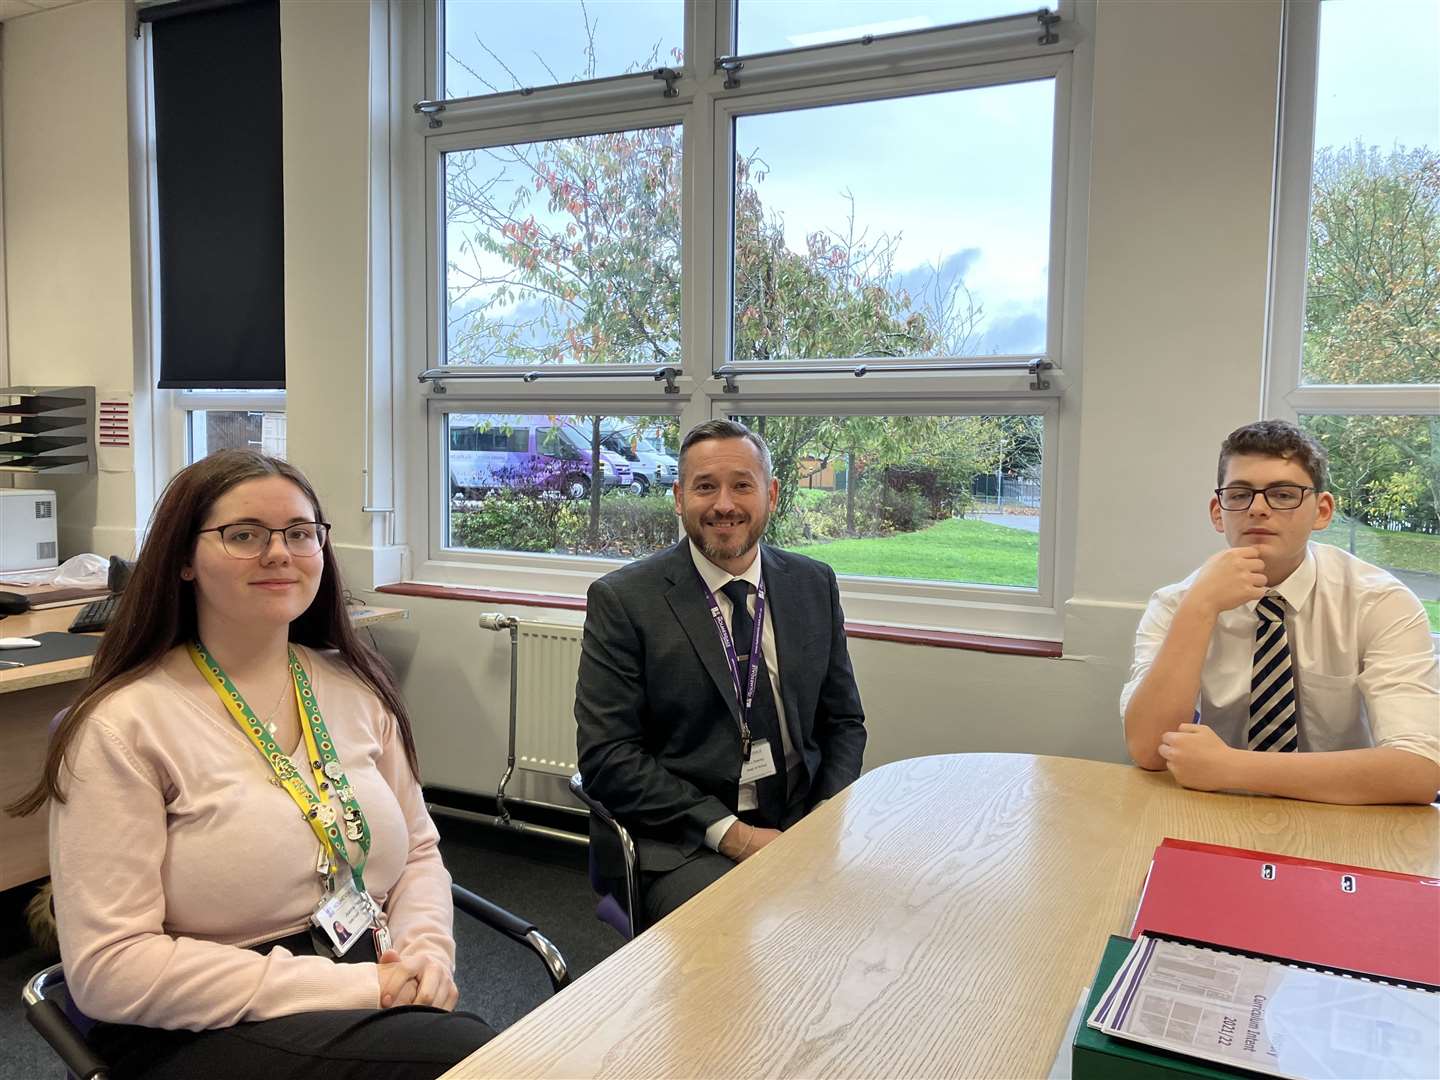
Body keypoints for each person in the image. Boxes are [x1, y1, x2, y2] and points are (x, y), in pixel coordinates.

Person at [6, 450, 493, 1079]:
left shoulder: (355, 688)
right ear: (183, 559)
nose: (278, 553)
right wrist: (359, 989)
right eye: (243, 535)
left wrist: (427, 953)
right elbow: (109, 972)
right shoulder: (124, 726)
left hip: (366, 966)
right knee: (466, 1059)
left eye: (300, 532)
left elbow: (421, 854)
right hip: (196, 1014)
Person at [575, 419, 866, 927]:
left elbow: (843, 722)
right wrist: (735, 835)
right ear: (678, 497)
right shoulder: (624, 601)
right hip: (684, 839)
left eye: (742, 485)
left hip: (799, 818)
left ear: (771, 493)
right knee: (746, 935)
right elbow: (608, 757)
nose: (724, 504)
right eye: (705, 486)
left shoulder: (812, 584)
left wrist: (820, 821)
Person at [1120, 420, 1439, 805]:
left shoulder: (1381, 602)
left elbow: (1419, 770)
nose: (1257, 509)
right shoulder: (1178, 603)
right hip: (1217, 810)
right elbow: (1148, 751)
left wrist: (1233, 768)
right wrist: (1199, 610)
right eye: (1239, 494)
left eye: (1283, 494)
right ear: (1218, 511)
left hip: (1346, 814)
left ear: (1322, 511)